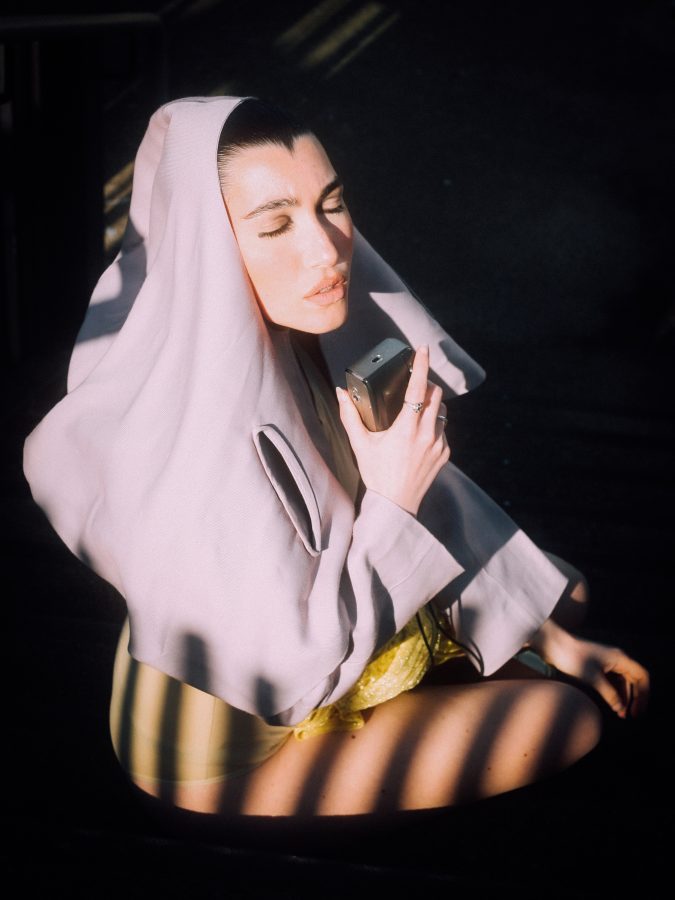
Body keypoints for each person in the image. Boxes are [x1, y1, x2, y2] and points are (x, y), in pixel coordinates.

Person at [23, 96, 649, 819]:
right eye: (275, 224)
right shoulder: (183, 446)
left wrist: (547, 640)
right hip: (241, 744)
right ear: (208, 250)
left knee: (561, 598)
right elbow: (294, 677)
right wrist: (393, 500)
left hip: (338, 611)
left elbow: (440, 507)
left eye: (332, 205)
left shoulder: (294, 336)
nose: (326, 251)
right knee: (561, 722)